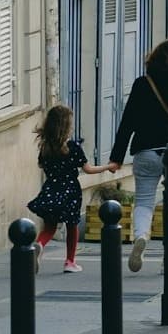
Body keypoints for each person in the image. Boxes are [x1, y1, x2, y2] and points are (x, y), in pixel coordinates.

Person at [107, 39, 168, 273]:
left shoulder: (141, 84)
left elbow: (127, 123)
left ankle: (141, 237)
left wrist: (116, 157)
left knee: (145, 201)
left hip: (146, 151)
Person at [28, 105, 102, 274]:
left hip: (50, 189)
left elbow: (41, 164)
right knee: (72, 225)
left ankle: (39, 245)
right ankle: (70, 261)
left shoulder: (45, 147)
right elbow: (88, 169)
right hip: (70, 191)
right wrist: (107, 168)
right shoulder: (73, 147)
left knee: (49, 227)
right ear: (67, 126)